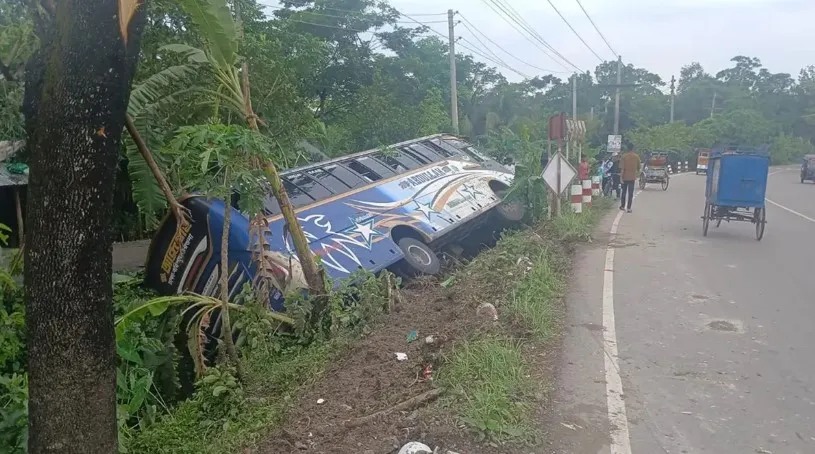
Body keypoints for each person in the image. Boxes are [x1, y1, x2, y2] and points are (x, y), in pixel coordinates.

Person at [620, 146, 641, 213]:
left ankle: (622, 206)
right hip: (632, 177)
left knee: (623, 192)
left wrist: (621, 177)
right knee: (630, 193)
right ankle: (629, 208)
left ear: (627, 149)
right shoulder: (636, 156)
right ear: (633, 149)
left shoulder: (624, 156)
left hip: (624, 177)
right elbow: (639, 167)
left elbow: (622, 168)